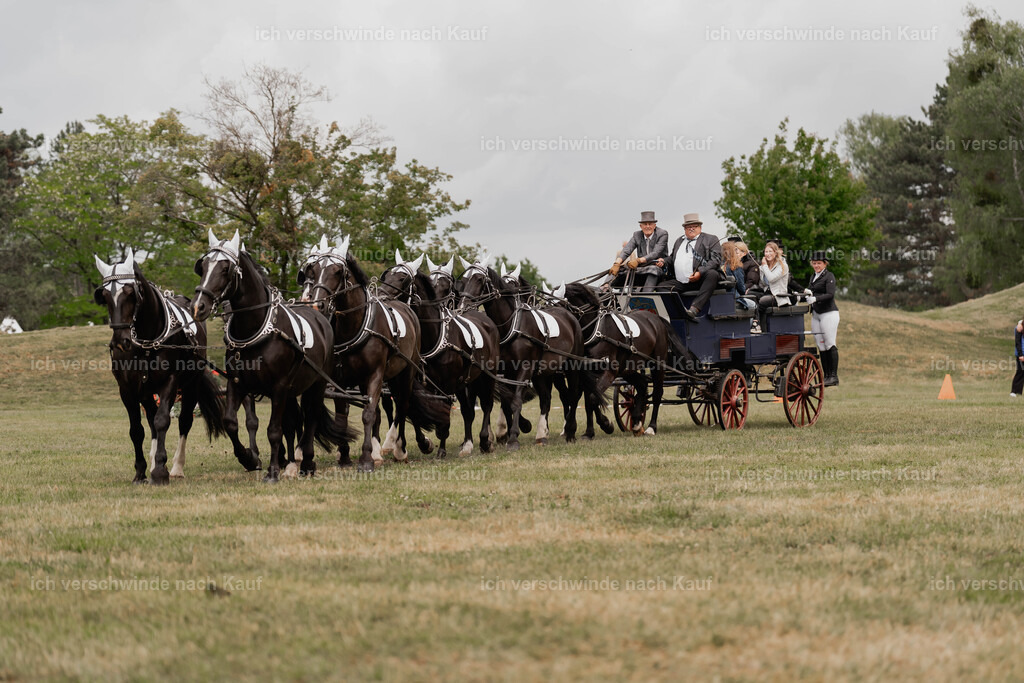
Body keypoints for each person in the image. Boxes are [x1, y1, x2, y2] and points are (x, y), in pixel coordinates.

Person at [659, 213, 722, 322]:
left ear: (700, 227)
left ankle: (694, 309)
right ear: (684, 229)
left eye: (695, 226)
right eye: (688, 227)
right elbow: (672, 257)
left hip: (701, 280)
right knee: (661, 287)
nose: (691, 228)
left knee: (713, 274)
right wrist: (663, 261)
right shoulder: (679, 241)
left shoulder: (711, 239)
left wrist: (700, 272)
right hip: (682, 281)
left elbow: (715, 260)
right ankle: (677, 311)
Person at [607, 210, 669, 292]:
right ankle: (603, 290)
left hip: (659, 267)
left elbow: (655, 253)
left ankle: (645, 295)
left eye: (650, 224)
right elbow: (627, 250)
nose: (647, 226)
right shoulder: (637, 235)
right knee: (616, 270)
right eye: (645, 224)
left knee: (653, 270)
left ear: (654, 226)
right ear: (641, 226)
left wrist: (638, 260)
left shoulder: (662, 234)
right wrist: (617, 263)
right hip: (642, 268)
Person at [804, 251, 840, 387]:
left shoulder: (829, 276)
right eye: (814, 263)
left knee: (830, 343)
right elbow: (812, 291)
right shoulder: (813, 276)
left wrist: (815, 298)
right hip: (816, 313)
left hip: (828, 313)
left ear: (824, 263)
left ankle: (834, 376)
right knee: (821, 345)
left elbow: (830, 294)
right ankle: (826, 376)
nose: (816, 265)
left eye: (819, 263)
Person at [756, 240, 791, 314]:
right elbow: (762, 283)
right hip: (767, 292)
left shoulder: (782, 265)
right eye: (766, 252)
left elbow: (771, 278)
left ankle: (758, 322)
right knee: (751, 295)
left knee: (763, 301)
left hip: (778, 296)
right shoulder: (765, 266)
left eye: (770, 251)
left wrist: (764, 266)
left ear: (775, 253)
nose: (768, 254)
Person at [721, 240, 754, 310]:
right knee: (754, 305)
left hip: (719, 298)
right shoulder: (735, 266)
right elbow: (741, 288)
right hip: (733, 298)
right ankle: (754, 321)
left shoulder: (719, 265)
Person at [1012, 320, 1024, 397]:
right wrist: (1020, 355)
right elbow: (1018, 342)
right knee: (1020, 372)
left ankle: (1019, 392)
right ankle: (1014, 391)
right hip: (1021, 354)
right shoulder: (1019, 327)